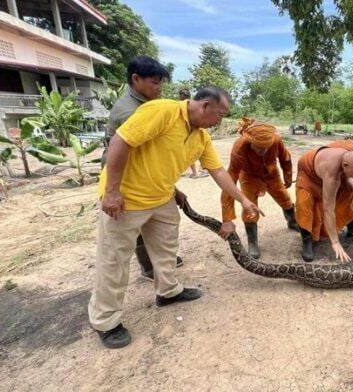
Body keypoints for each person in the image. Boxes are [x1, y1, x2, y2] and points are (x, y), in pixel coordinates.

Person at [89, 86, 261, 349]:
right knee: (114, 261)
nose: (220, 121)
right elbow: (119, 142)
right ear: (204, 106)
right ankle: (106, 321)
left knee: (167, 249)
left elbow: (217, 171)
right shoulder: (161, 111)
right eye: (220, 114)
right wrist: (111, 192)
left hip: (162, 198)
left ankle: (168, 292)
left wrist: (243, 199)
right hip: (127, 199)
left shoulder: (201, 136)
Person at [100, 55, 179, 281]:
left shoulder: (145, 103)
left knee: (151, 221)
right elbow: (122, 148)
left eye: (160, 82)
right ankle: (147, 267)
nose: (159, 88)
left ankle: (156, 266)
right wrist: (112, 191)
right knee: (130, 225)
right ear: (136, 79)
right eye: (154, 82)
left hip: (139, 170)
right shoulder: (129, 111)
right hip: (126, 174)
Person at [219, 117, 298, 258]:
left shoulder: (276, 140)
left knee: (285, 198)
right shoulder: (239, 147)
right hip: (249, 178)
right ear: (250, 141)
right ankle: (252, 242)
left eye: (265, 147)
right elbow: (229, 181)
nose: (262, 150)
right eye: (258, 147)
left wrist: (288, 176)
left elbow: (285, 158)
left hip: (272, 175)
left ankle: (292, 222)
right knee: (249, 209)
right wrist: (227, 218)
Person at [295, 140, 353, 262]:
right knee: (304, 202)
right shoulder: (332, 175)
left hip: (335, 168)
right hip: (308, 172)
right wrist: (335, 242)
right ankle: (307, 241)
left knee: (350, 190)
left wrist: (348, 178)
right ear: (345, 165)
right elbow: (328, 209)